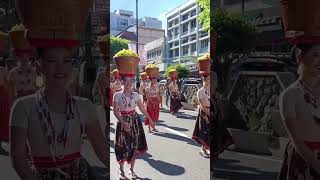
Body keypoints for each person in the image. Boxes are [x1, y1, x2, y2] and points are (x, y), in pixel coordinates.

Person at [10, 48, 109, 179]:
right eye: (51, 61)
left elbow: (102, 150)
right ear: (39, 66)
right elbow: (18, 160)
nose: (60, 68)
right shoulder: (23, 106)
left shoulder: (84, 106)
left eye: (66, 61)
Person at [278, 44, 320, 179]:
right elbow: (297, 140)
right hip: (303, 160)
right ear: (300, 58)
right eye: (315, 55)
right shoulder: (289, 95)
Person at [113, 75, 154, 179]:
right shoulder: (117, 95)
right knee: (121, 146)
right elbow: (115, 112)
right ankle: (121, 171)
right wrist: (123, 122)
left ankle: (131, 170)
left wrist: (150, 119)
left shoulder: (136, 95)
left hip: (135, 122)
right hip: (123, 122)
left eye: (130, 81)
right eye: (126, 80)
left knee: (134, 146)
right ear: (122, 81)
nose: (128, 83)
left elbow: (142, 109)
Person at [211, 71, 233, 161]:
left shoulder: (216, 96)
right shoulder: (208, 93)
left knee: (216, 140)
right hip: (211, 118)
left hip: (215, 120)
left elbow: (219, 107)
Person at [192, 75, 210, 157]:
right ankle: (203, 148)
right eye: (208, 79)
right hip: (204, 112)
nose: (209, 81)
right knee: (204, 129)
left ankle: (208, 147)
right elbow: (202, 105)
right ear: (204, 80)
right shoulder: (200, 91)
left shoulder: (210, 89)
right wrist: (208, 113)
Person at [0, 58, 10, 153]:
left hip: (1, 94)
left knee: (2, 119)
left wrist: (8, 97)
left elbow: (6, 84)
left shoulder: (3, 69)